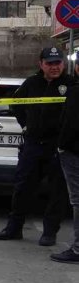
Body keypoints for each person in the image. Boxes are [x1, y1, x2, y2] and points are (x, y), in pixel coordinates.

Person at [0, 47, 76, 245]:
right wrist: (25, 125)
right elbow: (16, 104)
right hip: (32, 143)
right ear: (41, 64)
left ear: (63, 64)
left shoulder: (71, 84)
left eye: (57, 63)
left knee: (57, 191)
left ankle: (49, 232)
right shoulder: (32, 83)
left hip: (57, 146)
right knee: (23, 186)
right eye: (50, 63)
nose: (54, 67)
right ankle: (14, 228)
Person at [53, 60, 79, 264]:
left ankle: (78, 249)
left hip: (74, 152)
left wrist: (62, 145)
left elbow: (69, 122)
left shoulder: (74, 91)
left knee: (77, 199)